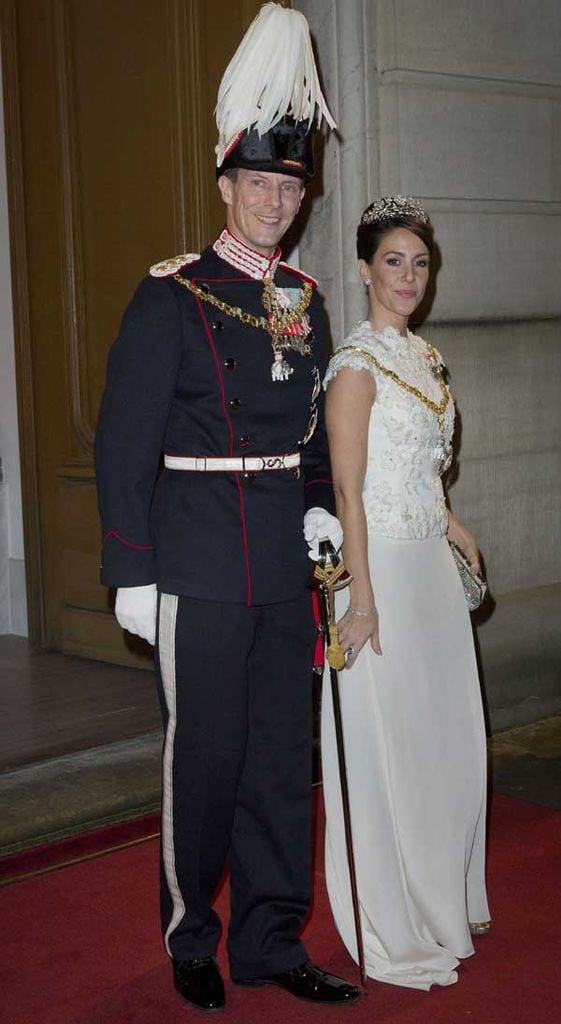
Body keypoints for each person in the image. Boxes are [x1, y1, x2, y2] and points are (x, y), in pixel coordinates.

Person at [95, 3, 360, 1013]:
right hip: (196, 562)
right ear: (225, 184)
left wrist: (324, 512)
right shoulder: (172, 293)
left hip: (280, 562)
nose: (274, 200)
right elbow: (124, 437)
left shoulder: (304, 298)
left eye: (290, 185)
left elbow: (314, 432)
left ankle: (270, 938)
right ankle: (190, 934)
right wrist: (132, 569)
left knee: (280, 765)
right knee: (202, 763)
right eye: (259, 181)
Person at [321, 195, 490, 991]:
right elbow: (349, 490)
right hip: (378, 569)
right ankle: (399, 914)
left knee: (444, 740)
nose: (407, 276)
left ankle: (442, 898)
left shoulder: (422, 357)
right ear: (363, 269)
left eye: (418, 263)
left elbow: (420, 465)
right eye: (392, 260)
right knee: (395, 748)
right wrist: (359, 600)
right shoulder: (354, 364)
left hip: (427, 565)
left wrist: (450, 523)